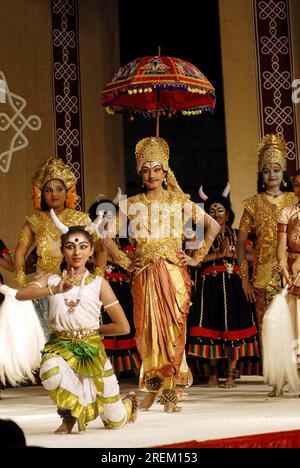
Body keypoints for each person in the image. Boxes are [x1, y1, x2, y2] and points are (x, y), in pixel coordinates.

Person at [106, 136, 220, 413]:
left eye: (157, 169)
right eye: (146, 170)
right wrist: (124, 260)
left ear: (165, 171)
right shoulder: (131, 204)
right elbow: (105, 236)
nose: (151, 175)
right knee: (146, 332)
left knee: (172, 330)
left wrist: (195, 258)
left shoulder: (178, 200)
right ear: (140, 174)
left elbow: (212, 226)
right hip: (144, 274)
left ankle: (170, 391)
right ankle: (153, 389)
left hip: (172, 273)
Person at [16, 212, 138, 434]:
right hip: (60, 347)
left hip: (92, 349)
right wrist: (55, 289)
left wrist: (92, 331)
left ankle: (127, 405)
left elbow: (123, 327)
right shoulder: (51, 279)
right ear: (62, 250)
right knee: (50, 370)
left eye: (83, 246)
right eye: (70, 246)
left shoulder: (98, 283)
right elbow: (21, 294)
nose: (77, 251)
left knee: (115, 421)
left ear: (91, 251)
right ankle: (70, 416)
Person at [14, 157, 105, 336]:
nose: (54, 194)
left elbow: (101, 248)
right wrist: (25, 284)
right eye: (48, 190)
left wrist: (97, 279)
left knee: (79, 336)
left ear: (68, 191)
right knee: (44, 340)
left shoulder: (82, 218)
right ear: (41, 193)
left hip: (76, 285)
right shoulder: (34, 221)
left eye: (59, 189)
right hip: (44, 286)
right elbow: (19, 253)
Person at [187, 185, 259, 388]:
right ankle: (212, 373)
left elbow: (254, 256)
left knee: (234, 326)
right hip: (209, 287)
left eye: (220, 210)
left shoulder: (238, 235)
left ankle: (230, 374)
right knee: (212, 326)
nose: (216, 214)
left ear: (228, 214)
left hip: (235, 285)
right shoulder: (199, 237)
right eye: (211, 211)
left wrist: (234, 255)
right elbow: (194, 260)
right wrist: (219, 254)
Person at [237, 134, 296, 340]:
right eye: (266, 171)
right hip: (261, 276)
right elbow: (240, 244)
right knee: (268, 328)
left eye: (277, 170)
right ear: (261, 175)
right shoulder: (252, 204)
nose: (272, 175)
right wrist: (244, 279)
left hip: (292, 271)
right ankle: (271, 372)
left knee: (293, 325)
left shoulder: (294, 199)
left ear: (283, 173)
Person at [88, 194, 141, 379]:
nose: (106, 218)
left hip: (122, 288)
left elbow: (132, 262)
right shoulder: (91, 238)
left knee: (127, 325)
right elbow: (94, 266)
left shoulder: (124, 239)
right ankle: (107, 372)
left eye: (110, 214)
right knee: (105, 324)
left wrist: (114, 249)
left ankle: (135, 370)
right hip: (102, 288)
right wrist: (107, 250)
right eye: (101, 214)